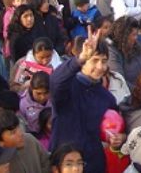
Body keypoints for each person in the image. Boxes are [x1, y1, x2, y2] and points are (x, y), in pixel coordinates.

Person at [49, 26, 124, 173]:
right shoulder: (68, 87)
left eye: (104, 61)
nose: (100, 67)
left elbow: (113, 127)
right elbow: (55, 81)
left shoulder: (106, 97)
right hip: (64, 164)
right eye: (94, 60)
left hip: (94, 164)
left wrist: (119, 138)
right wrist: (80, 58)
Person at [0, 108, 50, 173]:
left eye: (19, 127)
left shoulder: (29, 140)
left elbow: (46, 162)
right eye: (13, 133)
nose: (20, 133)